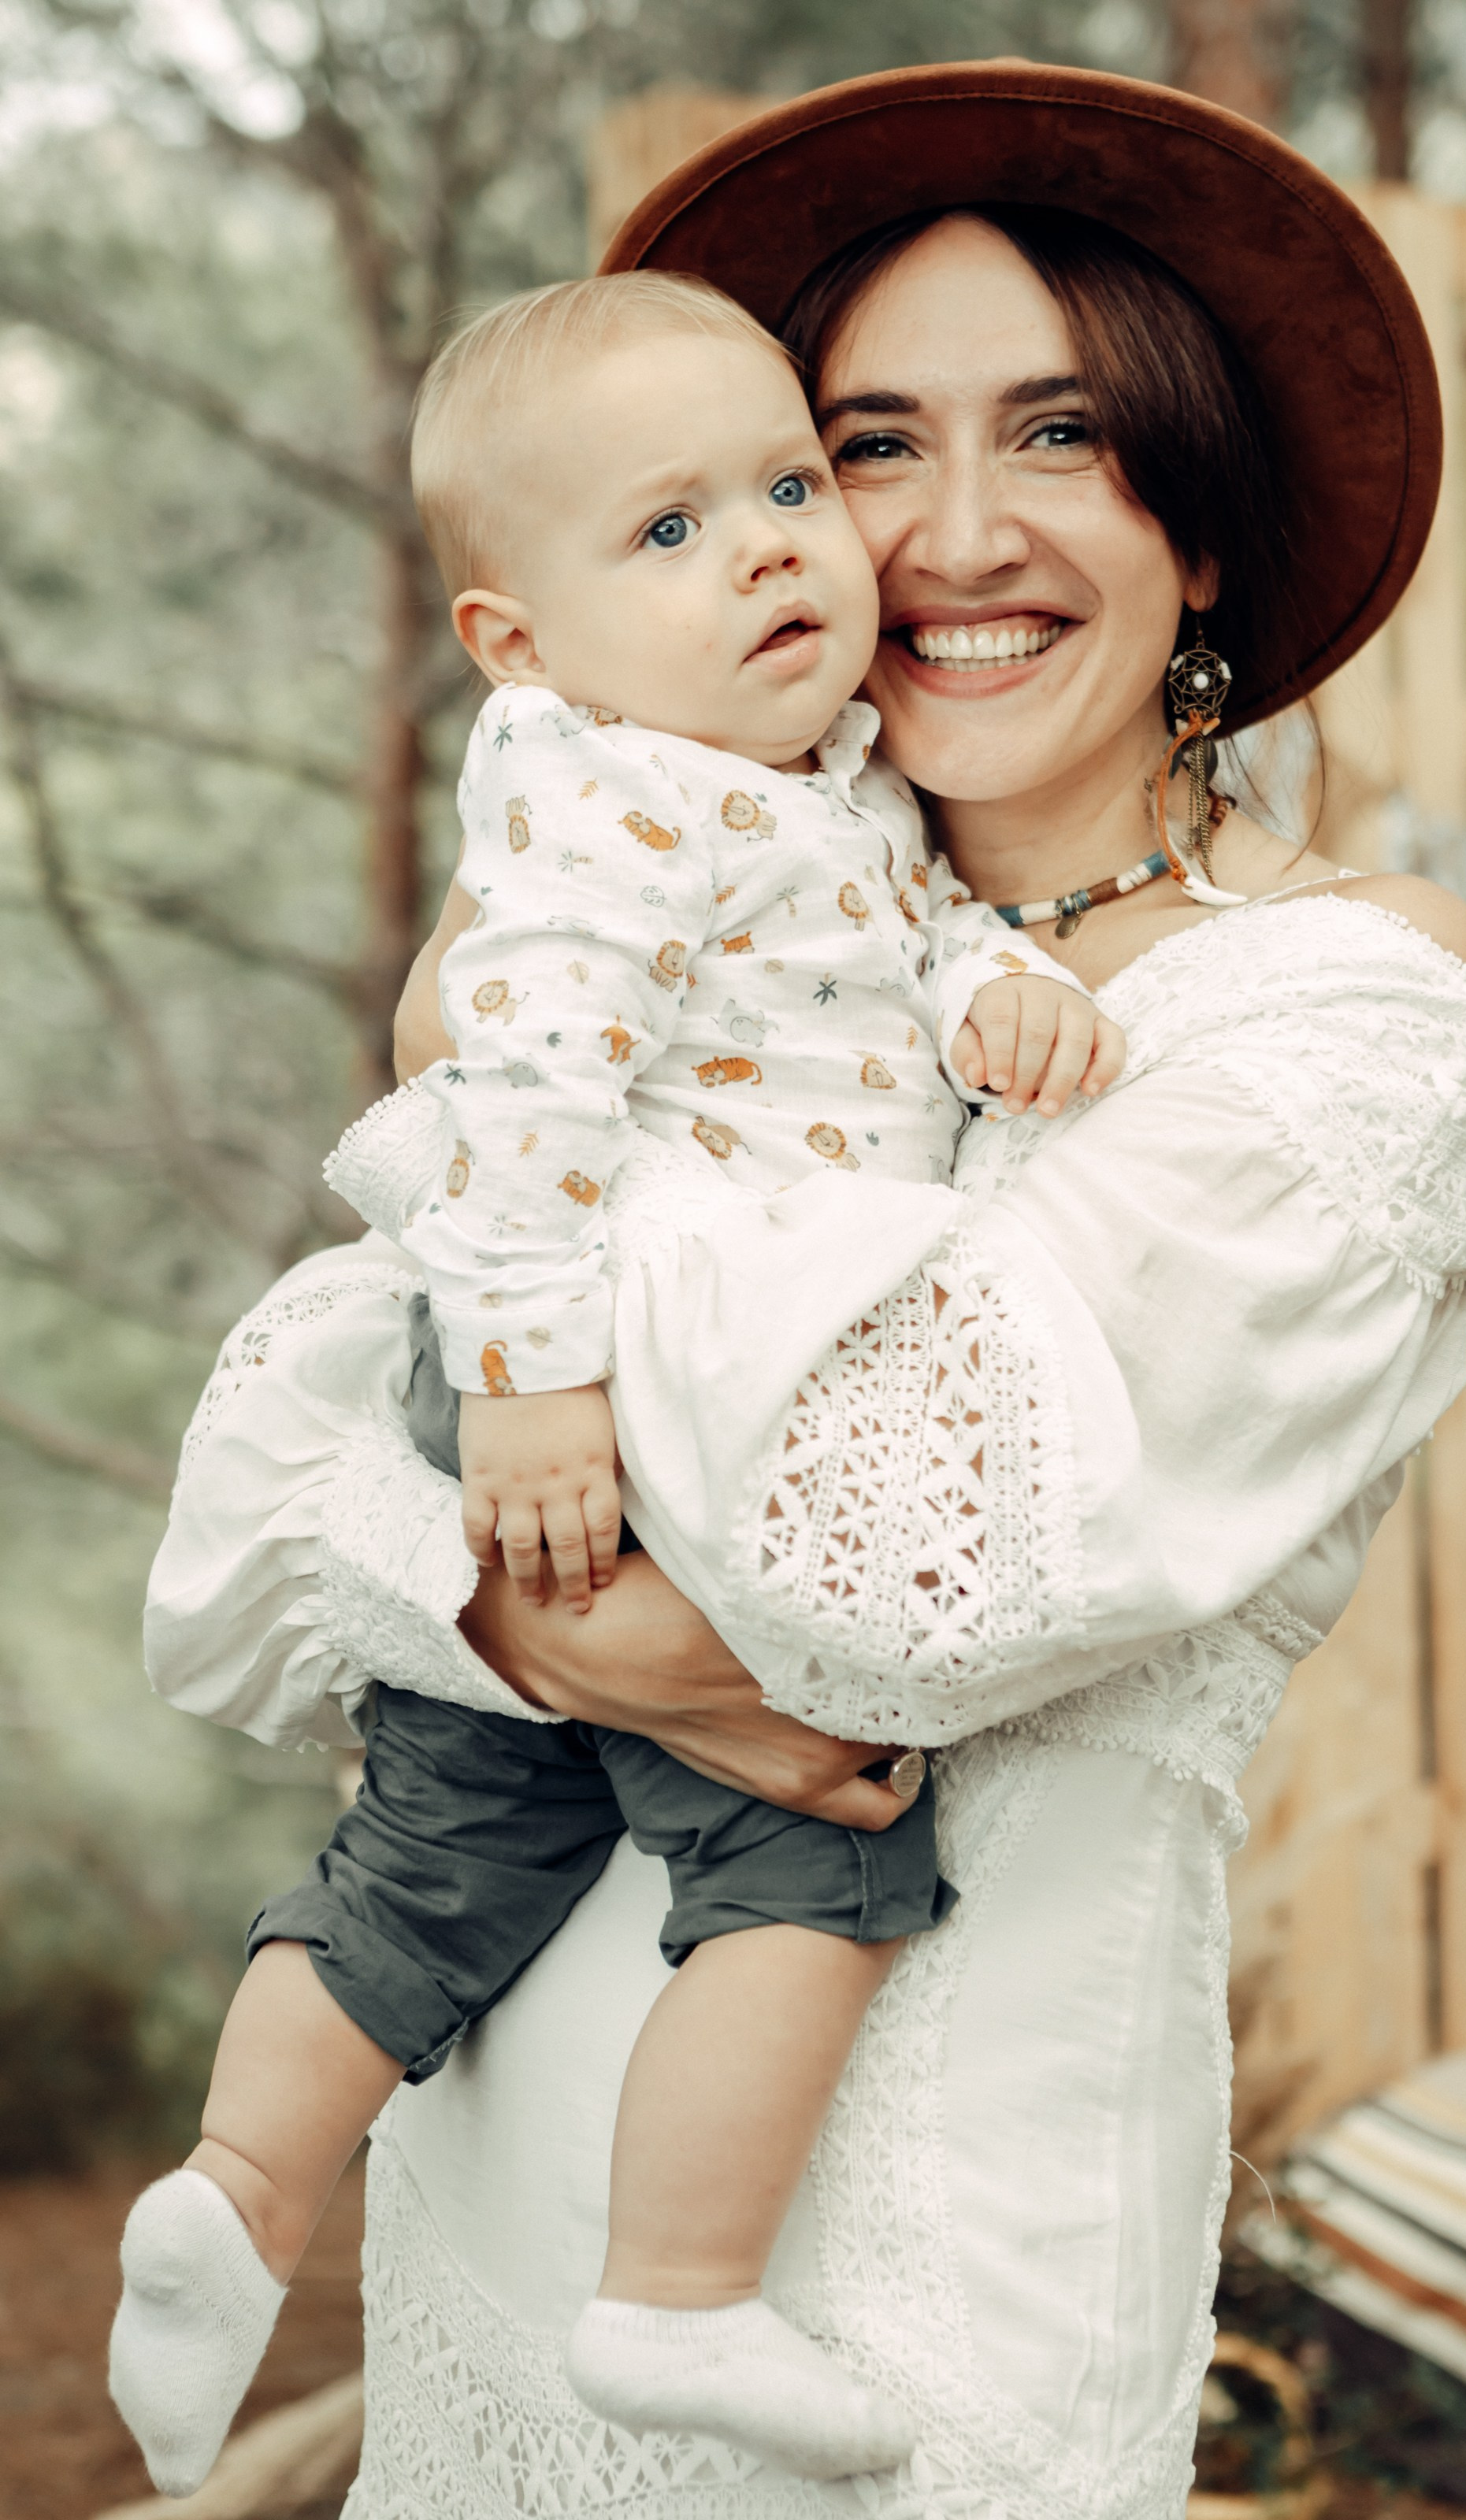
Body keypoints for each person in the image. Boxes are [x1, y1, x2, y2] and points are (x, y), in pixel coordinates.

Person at [138, 61, 1466, 2520]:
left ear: (1202, 533)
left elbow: (921, 1568)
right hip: (496, 2191)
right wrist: (498, 1586)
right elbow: (309, 1446)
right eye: (867, 442)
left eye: (1065, 436)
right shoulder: (695, 916)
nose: (946, 535)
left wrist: (543, 1544)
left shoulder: (1338, 1013)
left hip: (923, 2274)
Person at [109, 269, 1123, 2498]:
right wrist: (532, 1389)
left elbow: (867, 940)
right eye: (667, 532)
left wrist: (985, 990)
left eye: (781, 487)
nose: (769, 546)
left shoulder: (782, 782)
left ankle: (234, 2195)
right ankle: (681, 2299)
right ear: (515, 643)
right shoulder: (617, 822)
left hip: (620, 1393)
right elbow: (519, 1111)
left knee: (438, 1845)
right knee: (817, 1865)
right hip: (625, 1400)